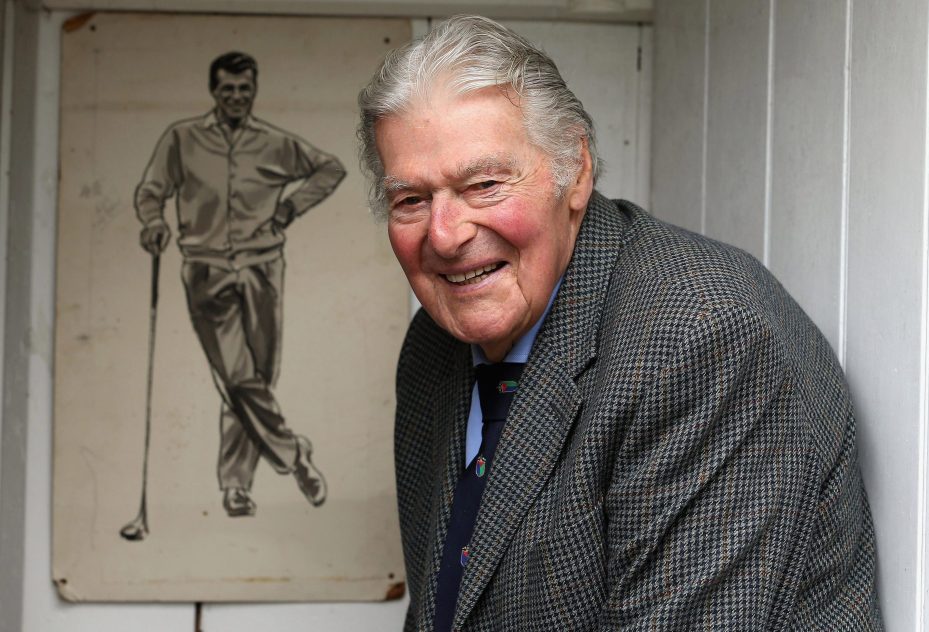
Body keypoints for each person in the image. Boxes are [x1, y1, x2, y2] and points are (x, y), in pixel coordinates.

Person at [357, 15, 883, 631]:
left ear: (575, 171)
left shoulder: (702, 335)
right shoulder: (433, 345)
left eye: (484, 184)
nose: (445, 236)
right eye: (411, 201)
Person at [134, 51, 346, 518]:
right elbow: (151, 191)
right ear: (214, 91)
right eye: (227, 88)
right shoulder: (181, 139)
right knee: (237, 377)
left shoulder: (274, 143)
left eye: (244, 89)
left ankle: (235, 488)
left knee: (256, 380)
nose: (235, 97)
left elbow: (330, 168)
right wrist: (152, 221)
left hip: (262, 268)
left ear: (254, 91)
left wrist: (290, 208)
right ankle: (293, 454)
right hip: (205, 270)